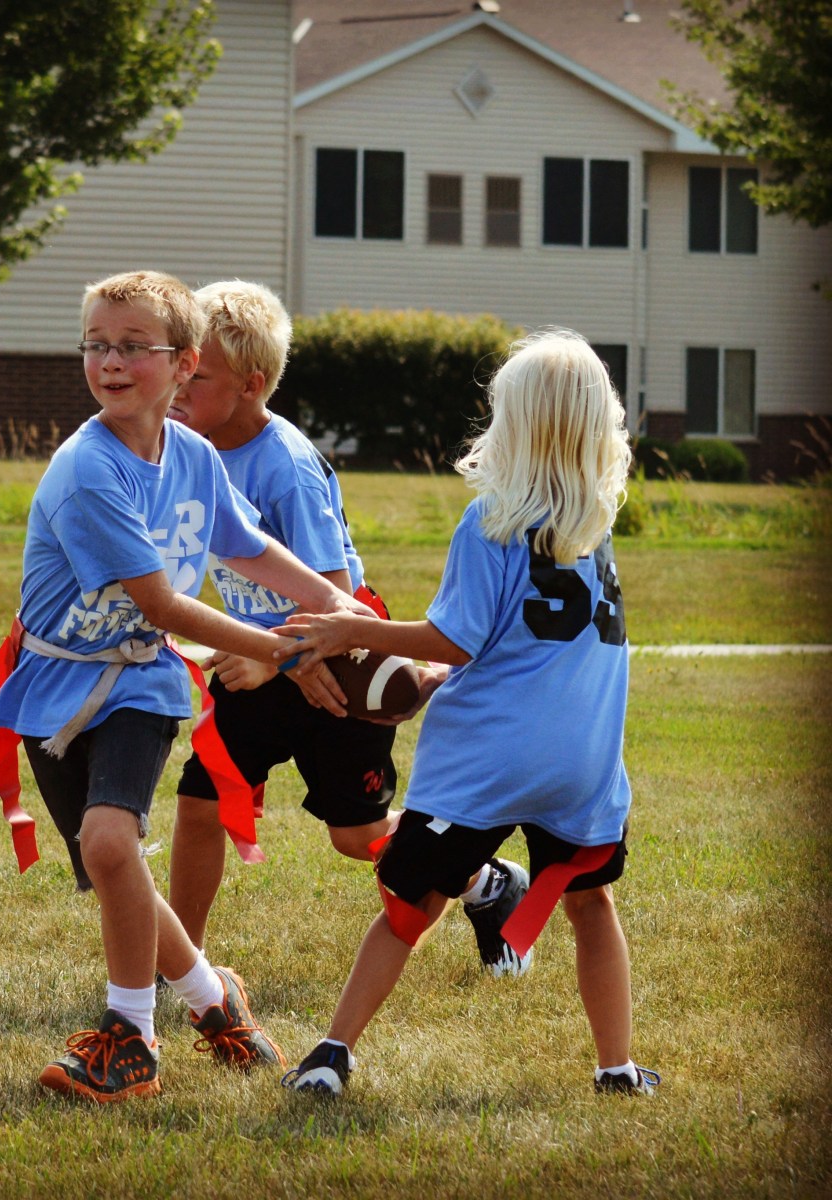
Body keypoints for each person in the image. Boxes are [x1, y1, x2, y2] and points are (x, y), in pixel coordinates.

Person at [0, 270, 374, 1103]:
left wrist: (339, 608)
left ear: (183, 363)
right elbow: (163, 602)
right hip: (53, 684)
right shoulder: (89, 468)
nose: (110, 362)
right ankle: (211, 996)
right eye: (96, 344)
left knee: (109, 845)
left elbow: (249, 547)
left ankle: (129, 1040)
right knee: (115, 864)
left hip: (139, 680)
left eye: (134, 347)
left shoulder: (193, 454)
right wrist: (290, 650)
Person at [274, 330, 660, 1099]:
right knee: (591, 904)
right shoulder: (596, 527)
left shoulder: (492, 520)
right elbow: (521, 645)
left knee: (408, 907)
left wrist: (351, 630)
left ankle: (331, 1056)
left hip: (487, 761)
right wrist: (436, 676)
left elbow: (455, 635)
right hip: (581, 763)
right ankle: (616, 1067)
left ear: (514, 421)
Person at [165, 279, 530, 979]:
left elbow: (334, 600)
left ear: (251, 384)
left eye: (196, 375)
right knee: (201, 802)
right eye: (176, 367)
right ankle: (180, 964)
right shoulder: (187, 449)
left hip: (342, 654)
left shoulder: (286, 466)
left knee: (356, 836)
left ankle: (487, 883)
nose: (178, 386)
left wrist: (276, 658)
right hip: (261, 654)